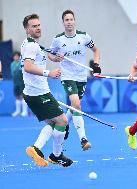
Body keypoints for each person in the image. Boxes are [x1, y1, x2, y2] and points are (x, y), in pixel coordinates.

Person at [22, 14, 73, 167]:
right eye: (33, 26)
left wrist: (56, 59)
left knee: (53, 123)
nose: (38, 28)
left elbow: (42, 57)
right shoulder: (31, 46)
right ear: (26, 29)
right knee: (63, 121)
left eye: (38, 25)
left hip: (35, 92)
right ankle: (54, 154)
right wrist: (49, 73)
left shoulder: (31, 44)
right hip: (38, 93)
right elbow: (28, 67)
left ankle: (38, 149)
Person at [48, 10, 101, 151]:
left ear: (74, 21)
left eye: (71, 19)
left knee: (74, 106)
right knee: (76, 104)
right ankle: (83, 139)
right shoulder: (58, 39)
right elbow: (50, 55)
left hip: (81, 76)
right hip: (67, 75)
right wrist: (56, 58)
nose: (69, 22)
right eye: (66, 20)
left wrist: (96, 65)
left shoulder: (84, 36)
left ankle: (64, 125)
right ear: (63, 22)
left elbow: (96, 50)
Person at [10, 51, 28, 117]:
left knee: (22, 96)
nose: (15, 57)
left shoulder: (22, 63)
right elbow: (12, 73)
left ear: (19, 57)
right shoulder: (12, 64)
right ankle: (18, 111)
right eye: (14, 56)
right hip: (15, 83)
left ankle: (24, 112)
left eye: (17, 56)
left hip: (22, 83)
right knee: (17, 96)